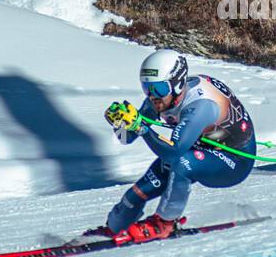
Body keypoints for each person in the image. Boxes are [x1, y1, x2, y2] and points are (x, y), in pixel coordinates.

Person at [97, 49, 256, 243]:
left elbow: (174, 151)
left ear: (178, 84)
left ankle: (164, 223)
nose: (153, 96)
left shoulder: (201, 105)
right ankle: (113, 228)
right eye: (147, 88)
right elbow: (126, 138)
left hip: (233, 162)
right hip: (200, 151)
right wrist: (121, 124)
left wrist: (141, 128)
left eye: (159, 89)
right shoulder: (161, 98)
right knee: (138, 192)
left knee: (181, 163)